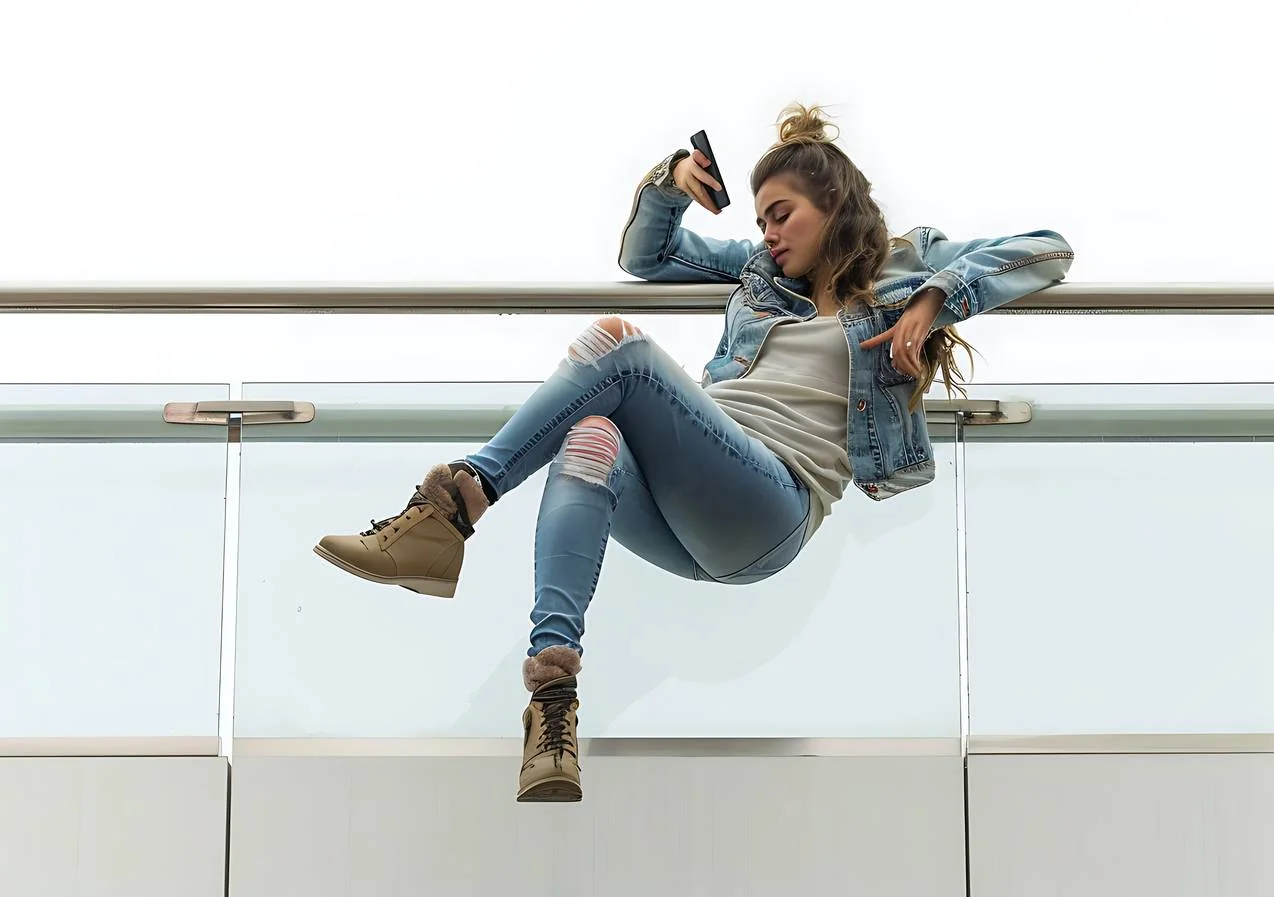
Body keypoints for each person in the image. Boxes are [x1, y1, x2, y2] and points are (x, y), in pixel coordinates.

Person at [313, 103, 1074, 802]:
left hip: (773, 501)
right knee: (592, 436)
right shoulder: (758, 276)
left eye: (783, 215)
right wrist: (670, 180)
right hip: (693, 501)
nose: (769, 233)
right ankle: (552, 706)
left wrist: (937, 296)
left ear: (834, 207)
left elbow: (1047, 250)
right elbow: (650, 253)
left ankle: (453, 505)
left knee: (619, 345)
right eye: (762, 219)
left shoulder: (906, 264)